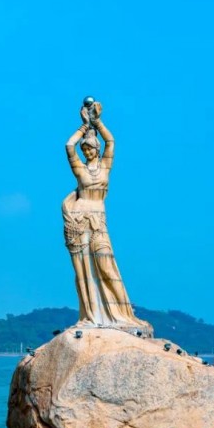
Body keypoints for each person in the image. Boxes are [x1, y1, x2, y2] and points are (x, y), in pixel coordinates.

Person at [63, 100, 151, 334]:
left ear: (97, 149)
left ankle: (124, 315)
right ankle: (91, 315)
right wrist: (84, 127)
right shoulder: (80, 169)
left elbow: (111, 141)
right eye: (85, 149)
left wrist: (97, 122)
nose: (87, 152)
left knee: (107, 268)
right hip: (78, 222)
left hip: (98, 221)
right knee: (83, 272)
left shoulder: (105, 167)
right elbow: (69, 145)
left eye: (90, 148)